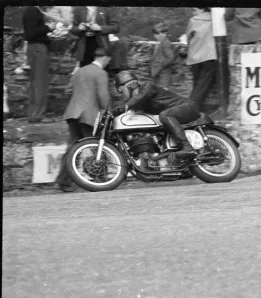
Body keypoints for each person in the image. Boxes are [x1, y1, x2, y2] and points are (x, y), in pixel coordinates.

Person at [56, 48, 112, 192]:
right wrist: (109, 113)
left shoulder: (79, 71)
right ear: (105, 58)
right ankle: (101, 178)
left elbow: (69, 90)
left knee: (72, 147)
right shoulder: (101, 73)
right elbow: (103, 96)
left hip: (73, 113)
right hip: (89, 115)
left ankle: (64, 181)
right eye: (108, 60)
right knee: (97, 146)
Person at [114, 71, 200, 164]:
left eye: (121, 90)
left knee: (165, 115)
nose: (121, 95)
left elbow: (140, 96)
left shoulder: (147, 86)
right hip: (173, 115)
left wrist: (126, 106)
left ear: (131, 85)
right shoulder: (138, 104)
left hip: (188, 106)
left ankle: (188, 147)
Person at [22, 6, 56, 123]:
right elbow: (31, 33)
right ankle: (38, 115)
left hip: (34, 48)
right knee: (40, 83)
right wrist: (48, 27)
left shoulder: (31, 11)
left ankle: (33, 114)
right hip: (38, 48)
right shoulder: (32, 11)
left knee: (35, 83)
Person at [70, 6, 122, 72]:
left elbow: (116, 27)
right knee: (86, 73)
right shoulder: (79, 9)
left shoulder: (107, 8)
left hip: (101, 46)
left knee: (101, 73)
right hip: (84, 48)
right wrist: (79, 28)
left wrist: (100, 28)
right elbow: (73, 29)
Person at [185, 7, 217, 112]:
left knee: (197, 85)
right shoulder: (215, 19)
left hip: (195, 56)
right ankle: (192, 108)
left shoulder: (193, 21)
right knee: (202, 86)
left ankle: (190, 109)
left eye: (195, 10)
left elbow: (187, 38)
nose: (193, 12)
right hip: (209, 55)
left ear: (202, 9)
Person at [149, 22, 175, 90]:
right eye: (155, 34)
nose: (156, 36)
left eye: (158, 34)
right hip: (159, 71)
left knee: (163, 90)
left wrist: (160, 64)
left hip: (164, 72)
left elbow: (171, 57)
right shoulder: (161, 43)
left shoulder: (166, 43)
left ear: (165, 34)